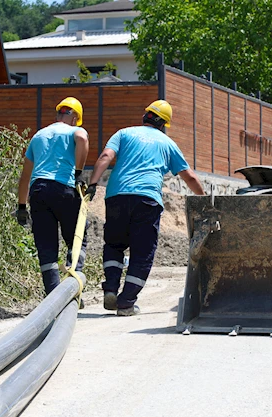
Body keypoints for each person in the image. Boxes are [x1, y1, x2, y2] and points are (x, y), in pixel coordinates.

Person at [86, 100, 206, 316]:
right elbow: (189, 176)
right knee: (142, 253)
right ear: (164, 124)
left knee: (114, 244)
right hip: (146, 199)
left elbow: (105, 157)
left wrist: (93, 183)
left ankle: (111, 289)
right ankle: (126, 302)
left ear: (145, 116)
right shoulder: (167, 143)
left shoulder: (123, 133)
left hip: (116, 196)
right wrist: (205, 200)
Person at [15, 97, 89, 295]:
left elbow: (24, 178)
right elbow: (82, 139)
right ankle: (72, 290)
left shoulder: (38, 136)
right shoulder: (74, 130)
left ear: (58, 114)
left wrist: (22, 207)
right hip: (64, 189)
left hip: (38, 191)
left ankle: (53, 297)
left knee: (46, 246)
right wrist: (79, 173)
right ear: (75, 118)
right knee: (77, 240)